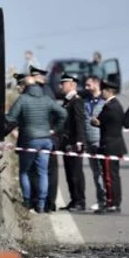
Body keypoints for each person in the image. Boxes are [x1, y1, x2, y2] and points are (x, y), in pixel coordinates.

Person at [6, 75, 67, 213]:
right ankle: (41, 205)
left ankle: (27, 202)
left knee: (25, 171)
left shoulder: (23, 99)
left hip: (30, 140)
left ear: (26, 86)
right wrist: (55, 129)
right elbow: (63, 113)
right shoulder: (46, 99)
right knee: (43, 173)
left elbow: (10, 117)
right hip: (46, 139)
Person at [90, 80, 127, 213]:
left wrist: (94, 120)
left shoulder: (111, 107)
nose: (102, 92)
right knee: (113, 175)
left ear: (109, 91)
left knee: (109, 176)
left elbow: (98, 121)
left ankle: (112, 203)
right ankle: (114, 202)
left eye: (103, 90)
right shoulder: (115, 105)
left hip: (109, 145)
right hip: (113, 144)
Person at [30, 65, 60, 212]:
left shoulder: (43, 93)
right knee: (48, 172)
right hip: (49, 137)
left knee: (44, 172)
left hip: (45, 138)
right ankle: (49, 203)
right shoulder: (46, 91)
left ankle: (46, 203)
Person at [58, 73, 87, 212]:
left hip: (74, 143)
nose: (61, 86)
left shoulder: (76, 101)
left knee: (76, 174)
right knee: (69, 174)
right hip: (67, 143)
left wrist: (80, 141)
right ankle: (74, 199)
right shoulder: (67, 101)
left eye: (63, 83)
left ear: (72, 85)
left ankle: (80, 201)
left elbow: (79, 122)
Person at [84, 76, 107, 210]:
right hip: (89, 141)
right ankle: (100, 200)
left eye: (88, 85)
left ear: (97, 84)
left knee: (104, 173)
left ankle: (107, 200)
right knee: (96, 173)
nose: (86, 88)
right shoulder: (86, 101)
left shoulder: (104, 102)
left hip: (100, 141)